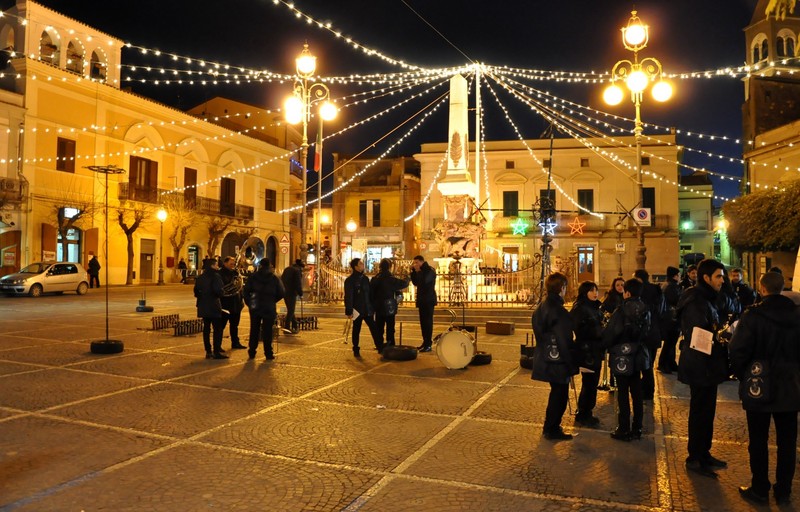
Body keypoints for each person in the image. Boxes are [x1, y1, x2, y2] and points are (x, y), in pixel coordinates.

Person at [729, 271, 800, 505]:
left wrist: (745, 375)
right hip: (791, 386)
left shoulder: (753, 315)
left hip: (759, 384)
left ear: (762, 288)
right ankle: (784, 490)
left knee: (758, 440)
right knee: (787, 442)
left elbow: (738, 350)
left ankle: (760, 488)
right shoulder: (797, 315)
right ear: (782, 288)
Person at [676, 258, 728, 478]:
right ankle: (695, 457)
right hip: (700, 365)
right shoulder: (697, 301)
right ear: (706, 278)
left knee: (707, 411)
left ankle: (704, 452)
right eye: (718, 276)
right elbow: (699, 335)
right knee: (700, 412)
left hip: (708, 365)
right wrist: (718, 339)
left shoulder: (706, 298)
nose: (722, 281)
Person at [602, 278, 651, 441]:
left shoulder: (621, 310)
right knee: (636, 392)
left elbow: (611, 332)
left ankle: (623, 428)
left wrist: (606, 345)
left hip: (622, 356)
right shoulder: (645, 309)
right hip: (638, 355)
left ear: (627, 292)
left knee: (622, 392)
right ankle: (637, 428)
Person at [531, 272, 578, 441]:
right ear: (562, 288)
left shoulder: (541, 307)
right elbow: (564, 341)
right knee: (559, 396)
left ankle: (550, 426)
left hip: (545, 357)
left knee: (556, 393)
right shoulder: (559, 311)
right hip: (558, 362)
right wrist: (571, 364)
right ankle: (552, 428)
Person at [570, 280, 604, 428]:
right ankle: (583, 413)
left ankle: (587, 412)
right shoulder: (580, 308)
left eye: (596, 290)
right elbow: (578, 328)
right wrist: (596, 331)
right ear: (585, 292)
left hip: (595, 349)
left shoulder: (595, 307)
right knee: (589, 383)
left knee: (593, 383)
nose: (595, 293)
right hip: (586, 352)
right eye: (591, 290)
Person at [243, 258, 285, 361]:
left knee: (254, 329)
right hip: (268, 306)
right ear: (269, 265)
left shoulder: (253, 277)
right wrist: (272, 300)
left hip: (255, 306)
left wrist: (250, 302)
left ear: (260, 265)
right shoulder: (274, 278)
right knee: (268, 331)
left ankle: (252, 351)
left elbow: (245, 291)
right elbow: (281, 292)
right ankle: (268, 353)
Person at [633, 269, 665, 400]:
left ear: (638, 279)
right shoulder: (657, 290)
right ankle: (648, 391)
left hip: (644, 334)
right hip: (655, 332)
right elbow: (662, 310)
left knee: (641, 364)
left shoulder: (639, 291)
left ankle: (643, 391)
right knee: (649, 365)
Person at [343, 257, 382, 357]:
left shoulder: (365, 279)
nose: (362, 265)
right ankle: (356, 348)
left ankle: (380, 346)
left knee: (374, 328)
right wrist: (349, 310)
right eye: (360, 264)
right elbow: (349, 296)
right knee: (356, 329)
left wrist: (372, 306)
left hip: (367, 308)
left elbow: (370, 293)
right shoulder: (350, 280)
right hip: (357, 309)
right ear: (355, 267)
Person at [370, 258, 410, 351]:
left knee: (379, 327)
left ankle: (379, 345)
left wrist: (373, 304)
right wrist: (407, 277)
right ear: (390, 267)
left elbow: (371, 293)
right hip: (389, 307)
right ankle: (390, 344)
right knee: (390, 328)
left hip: (378, 306)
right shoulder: (391, 279)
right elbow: (403, 284)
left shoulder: (375, 278)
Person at [194, 258, 227, 359]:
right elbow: (219, 290)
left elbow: (196, 291)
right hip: (213, 305)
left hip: (203, 305)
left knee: (206, 329)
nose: (218, 267)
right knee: (217, 328)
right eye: (216, 265)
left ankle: (208, 351)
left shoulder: (201, 277)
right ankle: (216, 351)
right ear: (212, 266)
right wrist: (222, 293)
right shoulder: (215, 276)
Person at [410, 255, 437, 352]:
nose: (415, 265)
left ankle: (428, 344)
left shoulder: (430, 270)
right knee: (423, 322)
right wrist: (413, 272)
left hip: (428, 300)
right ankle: (425, 342)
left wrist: (418, 272)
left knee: (428, 322)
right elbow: (416, 283)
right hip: (422, 300)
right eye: (414, 263)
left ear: (422, 262)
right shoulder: (420, 271)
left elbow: (424, 281)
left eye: (417, 262)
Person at [658, 266, 682, 374]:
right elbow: (677, 301)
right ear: (675, 276)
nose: (680, 277)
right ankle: (663, 363)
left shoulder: (667, 285)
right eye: (679, 275)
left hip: (668, 318)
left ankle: (670, 363)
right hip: (672, 318)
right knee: (670, 343)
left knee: (671, 343)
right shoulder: (672, 286)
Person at [219, 256, 246, 350]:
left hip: (236, 303)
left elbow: (240, 287)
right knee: (221, 326)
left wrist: (242, 297)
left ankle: (235, 342)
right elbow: (222, 288)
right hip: (225, 303)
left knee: (235, 325)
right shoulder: (220, 273)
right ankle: (218, 346)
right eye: (231, 264)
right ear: (225, 263)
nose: (233, 266)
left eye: (234, 264)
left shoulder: (236, 273)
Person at [281, 259, 304, 333]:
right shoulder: (297, 271)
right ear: (300, 267)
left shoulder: (287, 269)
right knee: (291, 310)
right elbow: (298, 283)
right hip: (291, 292)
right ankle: (287, 327)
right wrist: (300, 293)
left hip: (285, 292)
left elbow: (282, 279)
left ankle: (294, 325)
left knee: (290, 309)